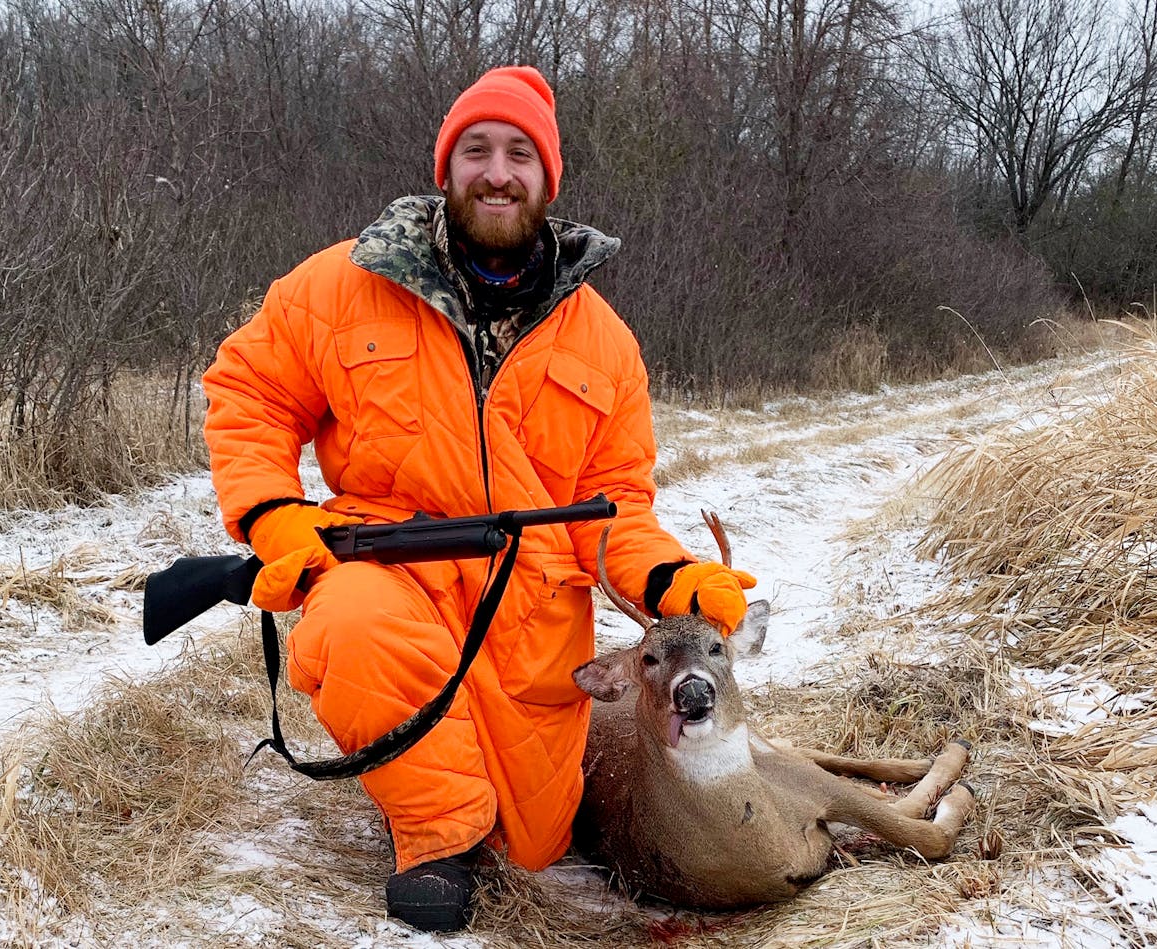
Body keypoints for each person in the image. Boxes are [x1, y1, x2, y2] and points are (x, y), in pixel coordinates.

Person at [202, 65, 756, 933]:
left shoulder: (605, 343)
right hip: (395, 583)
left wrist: (675, 582)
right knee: (348, 620)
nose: (497, 171)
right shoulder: (341, 286)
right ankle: (432, 836)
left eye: (520, 154)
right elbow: (249, 394)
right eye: (476, 150)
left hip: (529, 632)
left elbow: (618, 513)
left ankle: (463, 797)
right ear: (447, 168)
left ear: (547, 178)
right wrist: (274, 515)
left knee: (531, 845)